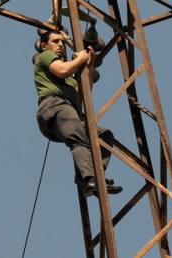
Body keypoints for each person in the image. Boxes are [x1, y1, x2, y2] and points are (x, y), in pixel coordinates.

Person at [34, 30, 122, 197]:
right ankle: (89, 179)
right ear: (44, 46)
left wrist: (89, 66)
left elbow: (83, 92)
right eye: (55, 41)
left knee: (103, 135)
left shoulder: (68, 79)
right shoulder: (45, 57)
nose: (61, 45)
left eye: (62, 41)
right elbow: (61, 70)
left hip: (66, 111)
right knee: (80, 141)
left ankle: (93, 176)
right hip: (55, 106)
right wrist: (81, 58)